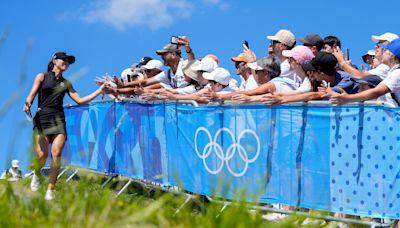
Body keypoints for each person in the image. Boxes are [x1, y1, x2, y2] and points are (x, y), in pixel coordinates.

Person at [23, 52, 106, 200]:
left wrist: (100, 90)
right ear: (55, 60)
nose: (66, 63)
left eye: (68, 62)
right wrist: (27, 103)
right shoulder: (42, 76)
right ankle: (36, 174)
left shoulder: (67, 83)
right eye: (64, 60)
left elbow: (80, 100)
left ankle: (50, 190)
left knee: (56, 154)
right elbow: (32, 94)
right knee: (42, 155)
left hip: (58, 119)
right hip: (42, 118)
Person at [330, 38, 400, 107]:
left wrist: (348, 98)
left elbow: (376, 92)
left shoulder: (397, 73)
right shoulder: (394, 72)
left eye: (384, 50)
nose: (382, 52)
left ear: (392, 56)